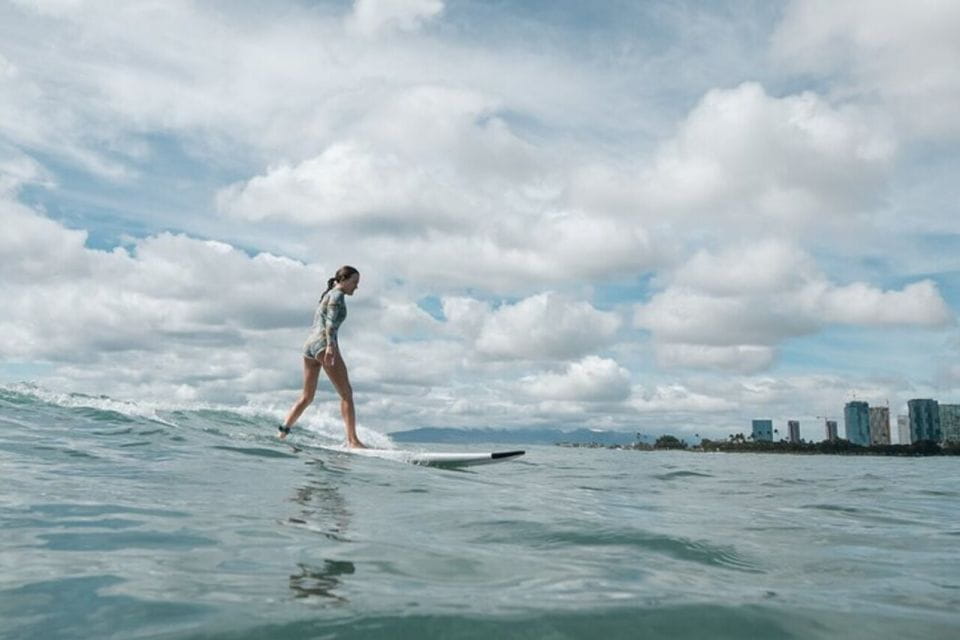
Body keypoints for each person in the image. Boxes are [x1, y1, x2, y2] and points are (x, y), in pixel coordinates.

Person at [279, 265, 365, 448]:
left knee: (307, 396)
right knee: (346, 394)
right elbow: (330, 322)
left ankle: (282, 432)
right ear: (343, 280)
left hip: (309, 346)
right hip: (323, 344)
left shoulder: (328, 294)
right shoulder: (338, 295)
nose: (356, 287)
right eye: (354, 282)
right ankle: (353, 441)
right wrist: (330, 347)